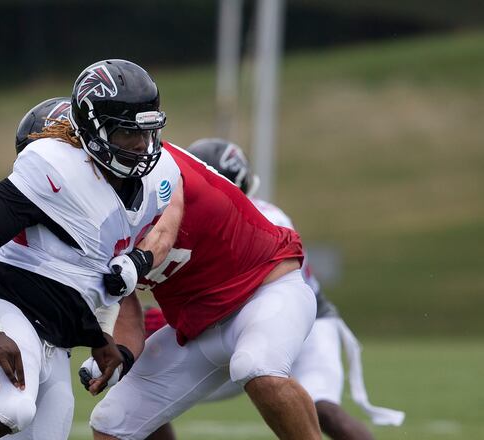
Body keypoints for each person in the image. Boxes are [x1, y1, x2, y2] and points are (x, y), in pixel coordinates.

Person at [0, 59, 180, 440]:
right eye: (127, 134)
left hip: (56, 337)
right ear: (93, 129)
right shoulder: (56, 169)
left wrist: (100, 338)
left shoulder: (156, 183)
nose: (141, 146)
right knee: (9, 408)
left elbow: (99, 276)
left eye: (146, 132)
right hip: (10, 309)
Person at [137, 139, 405, 440]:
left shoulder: (267, 218)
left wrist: (167, 320)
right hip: (227, 327)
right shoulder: (178, 218)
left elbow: (248, 292)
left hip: (298, 321)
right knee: (143, 395)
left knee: (323, 409)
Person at [87, 138, 323, 439]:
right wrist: (121, 354)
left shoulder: (157, 164)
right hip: (197, 327)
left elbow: (163, 234)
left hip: (264, 293)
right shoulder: (94, 215)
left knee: (256, 366)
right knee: (111, 422)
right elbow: (125, 304)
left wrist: (136, 261)